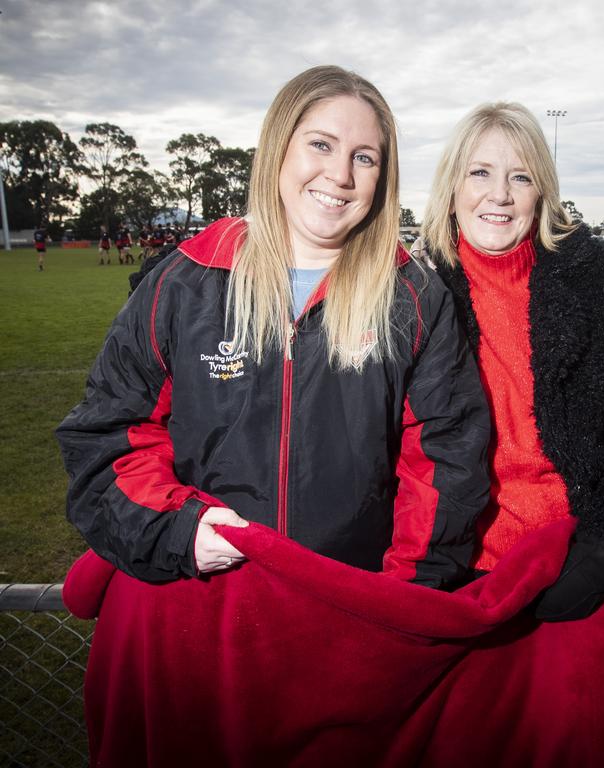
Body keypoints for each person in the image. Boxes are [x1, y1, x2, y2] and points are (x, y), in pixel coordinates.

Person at [56, 66, 492, 761]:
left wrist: (400, 596)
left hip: (343, 621)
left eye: (365, 157)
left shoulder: (412, 296)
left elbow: (446, 458)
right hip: (200, 618)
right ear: (279, 149)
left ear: (384, 176)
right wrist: (179, 530)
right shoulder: (184, 281)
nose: (340, 175)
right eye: (321, 145)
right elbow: (109, 438)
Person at [403, 102, 604, 764]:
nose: (499, 195)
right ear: (450, 186)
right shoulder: (408, 286)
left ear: (544, 192)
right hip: (448, 551)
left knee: (595, 716)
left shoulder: (602, 278)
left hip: (572, 542)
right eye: (480, 173)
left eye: (521, 177)